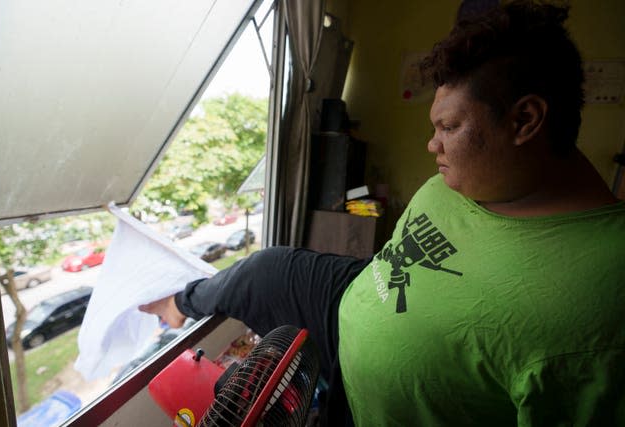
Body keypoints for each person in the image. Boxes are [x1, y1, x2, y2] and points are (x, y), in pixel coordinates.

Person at [140, 1, 625, 425]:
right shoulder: (488, 176)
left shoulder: (599, 302)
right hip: (363, 293)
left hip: (379, 403)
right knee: (266, 268)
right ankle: (179, 303)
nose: (432, 144)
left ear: (525, 120)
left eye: (449, 127)